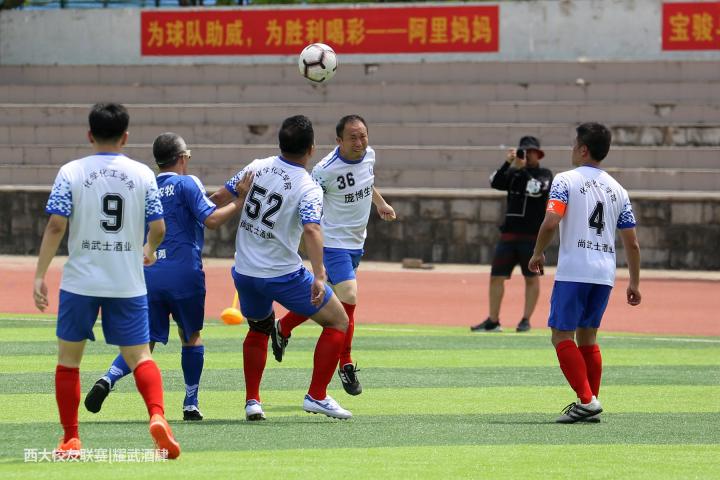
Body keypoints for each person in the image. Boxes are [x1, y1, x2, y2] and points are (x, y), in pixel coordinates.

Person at [33, 103, 181, 459]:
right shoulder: (143, 174)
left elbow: (55, 225)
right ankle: (157, 416)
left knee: (69, 361)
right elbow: (159, 227)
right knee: (140, 356)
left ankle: (71, 439)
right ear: (125, 137)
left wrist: (39, 274)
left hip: (80, 282)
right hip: (126, 281)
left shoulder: (71, 171)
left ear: (89, 134)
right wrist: (149, 249)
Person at [83, 133, 253, 421]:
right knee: (191, 337)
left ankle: (107, 378)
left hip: (148, 273)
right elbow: (211, 220)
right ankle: (190, 403)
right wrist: (239, 199)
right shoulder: (187, 183)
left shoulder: (144, 187)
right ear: (183, 158)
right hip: (184, 274)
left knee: (143, 343)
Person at [209, 115, 352, 420]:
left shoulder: (256, 166)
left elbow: (219, 197)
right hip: (283, 274)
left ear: (280, 142)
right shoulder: (308, 187)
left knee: (259, 328)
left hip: (245, 272)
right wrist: (319, 275)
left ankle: (252, 401)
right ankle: (317, 396)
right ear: (311, 149)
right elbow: (312, 229)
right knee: (338, 321)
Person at [270, 114, 396, 396]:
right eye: (353, 137)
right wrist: (300, 237)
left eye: (363, 136)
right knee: (349, 295)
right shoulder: (324, 170)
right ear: (339, 140)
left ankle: (283, 326)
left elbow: (366, 183)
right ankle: (346, 363)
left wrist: (380, 203)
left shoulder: (369, 155)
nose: (359, 142)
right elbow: (306, 200)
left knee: (328, 300)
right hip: (333, 242)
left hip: (356, 242)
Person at [528, 122, 641, 423]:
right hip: (604, 274)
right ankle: (590, 402)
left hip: (574, 270)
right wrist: (634, 282)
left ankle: (587, 400)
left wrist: (538, 252)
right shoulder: (619, 190)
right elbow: (632, 243)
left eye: (574, 144)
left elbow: (551, 221)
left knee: (561, 335)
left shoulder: (565, 180)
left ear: (583, 149)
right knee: (588, 337)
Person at [471, 136, 553, 333]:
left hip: (532, 236)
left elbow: (537, 189)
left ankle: (525, 319)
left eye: (530, 152)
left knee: (531, 278)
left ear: (538, 154)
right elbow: (495, 182)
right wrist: (507, 163)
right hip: (509, 234)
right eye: (524, 151)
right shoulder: (513, 173)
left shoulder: (544, 174)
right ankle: (493, 320)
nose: (527, 155)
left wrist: (522, 169)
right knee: (496, 276)